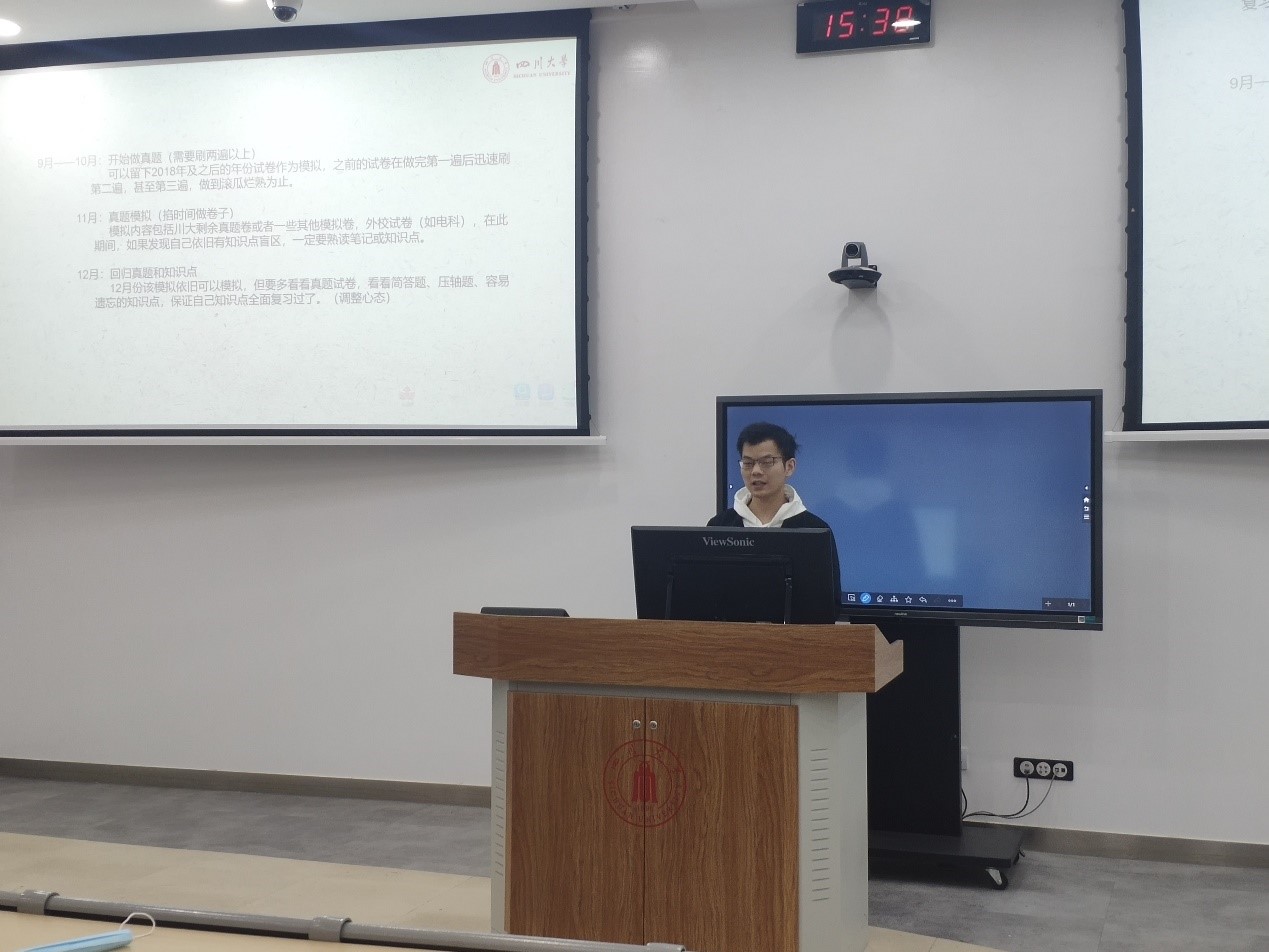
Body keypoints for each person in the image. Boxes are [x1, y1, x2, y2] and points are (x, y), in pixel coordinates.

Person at [709, 421, 830, 529]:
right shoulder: (719, 526)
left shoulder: (815, 529)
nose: (756, 471)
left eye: (766, 462)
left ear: (789, 467)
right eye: (748, 463)